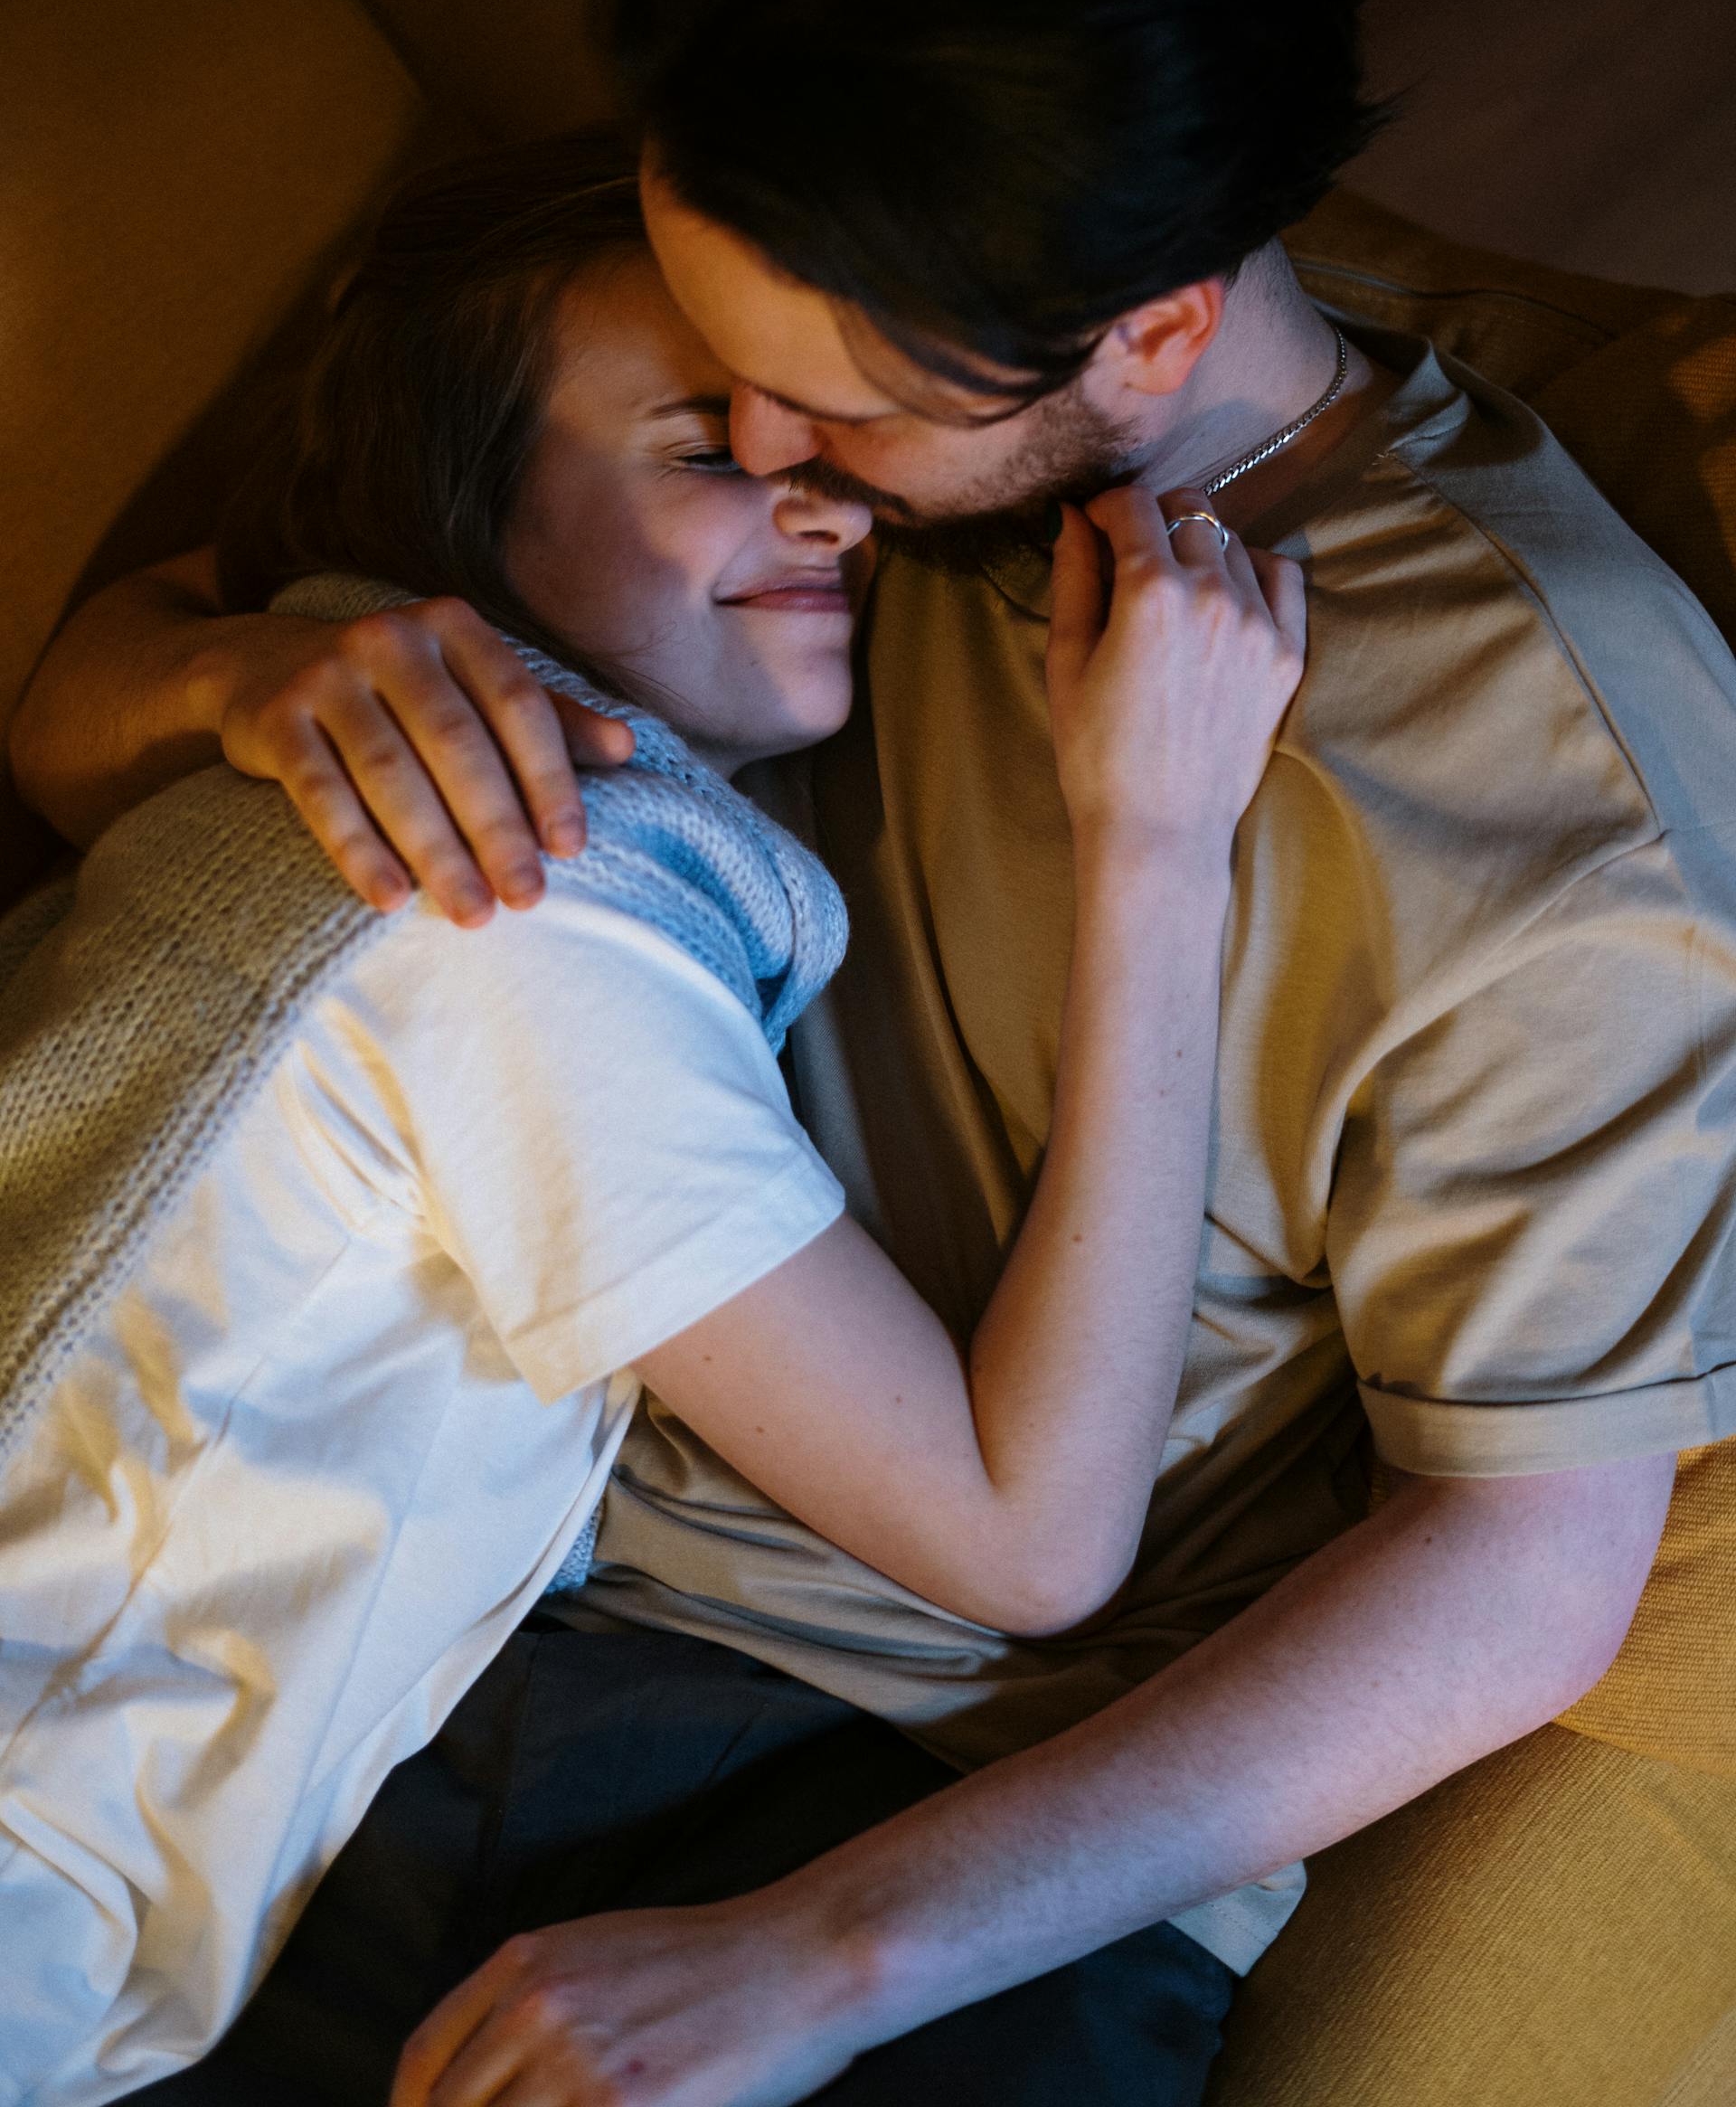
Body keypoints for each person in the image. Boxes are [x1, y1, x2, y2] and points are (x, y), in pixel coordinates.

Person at [14, 0, 1736, 2106]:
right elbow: (87, 701)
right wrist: (250, 665)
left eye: (823, 405)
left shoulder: (1539, 780)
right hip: (446, 1575)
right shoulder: (781, 342)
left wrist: (817, 1959)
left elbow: (1530, 1566)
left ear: (1146, 332)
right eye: (721, 376)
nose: (778, 456)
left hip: (937, 1801)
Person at [0, 131, 1303, 2104]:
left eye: (826, 432)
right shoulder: (523, 917)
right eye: (705, 452)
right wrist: (1160, 849)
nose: (832, 503)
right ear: (463, 517)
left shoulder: (261, 775)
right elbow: (1031, 1539)